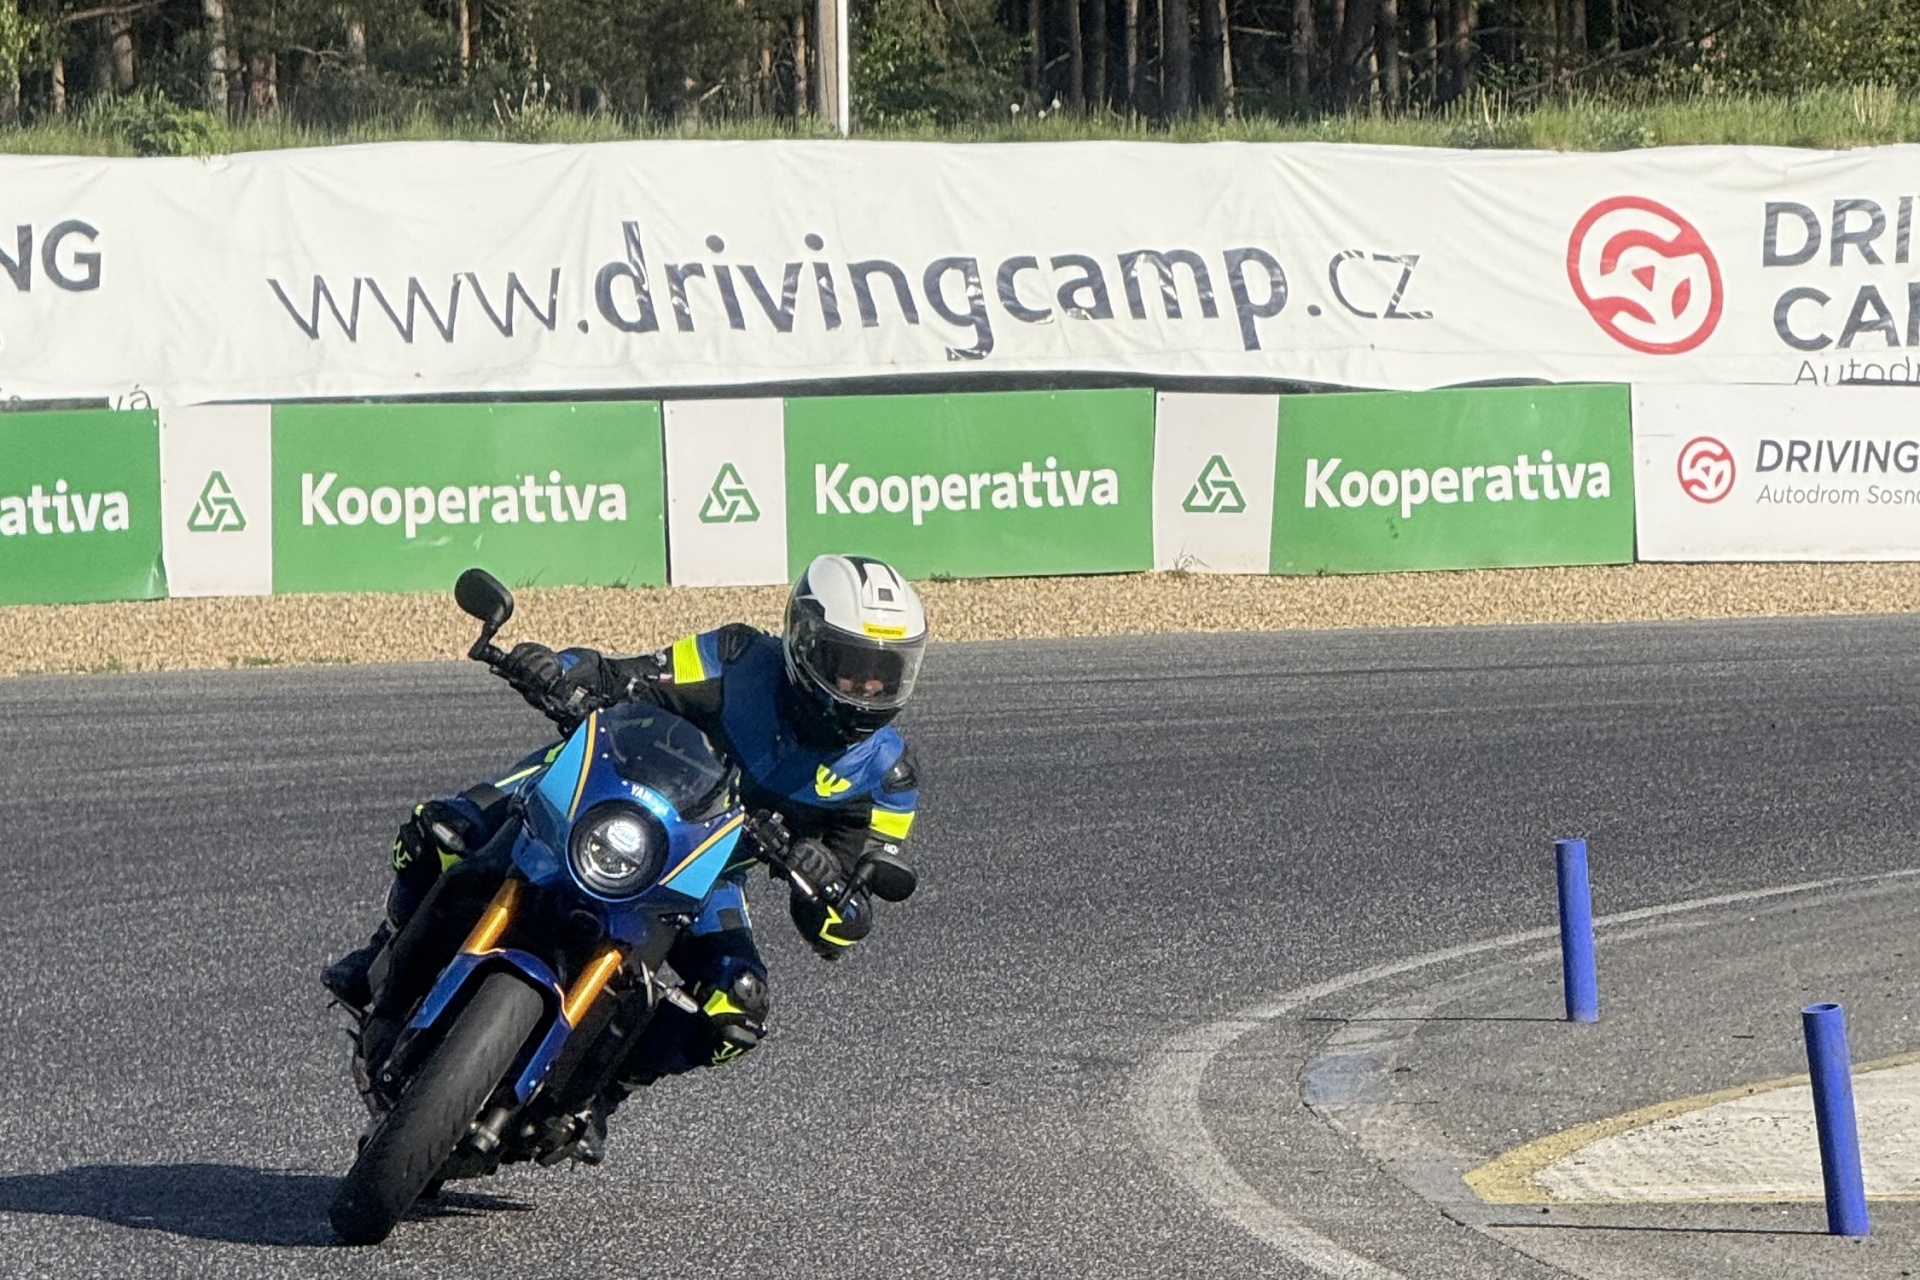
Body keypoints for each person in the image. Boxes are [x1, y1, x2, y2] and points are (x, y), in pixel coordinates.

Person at [322, 553, 927, 1161]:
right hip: (614, 787)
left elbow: (843, 926)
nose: (867, 688)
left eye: (885, 673)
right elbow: (632, 676)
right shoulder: (740, 656)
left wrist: (826, 883)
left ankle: (600, 1093)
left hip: (704, 872)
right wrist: (559, 668)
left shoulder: (888, 776)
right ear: (806, 644)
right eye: (851, 667)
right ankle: (382, 952)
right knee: (443, 829)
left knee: (737, 1007)